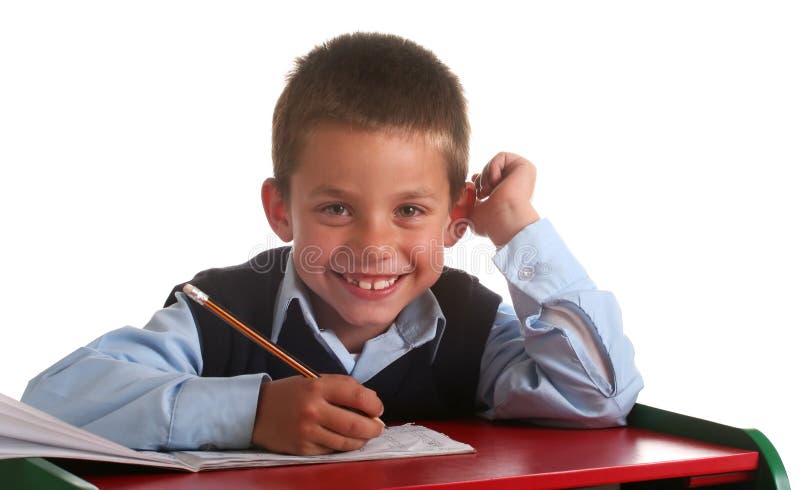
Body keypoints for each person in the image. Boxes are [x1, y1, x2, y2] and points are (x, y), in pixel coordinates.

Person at [22, 32, 643, 456]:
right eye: (336, 208)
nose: (374, 245)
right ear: (280, 211)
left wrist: (515, 226)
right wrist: (253, 414)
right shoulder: (221, 310)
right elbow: (54, 402)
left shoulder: (474, 328)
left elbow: (597, 398)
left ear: (456, 218)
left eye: (409, 210)